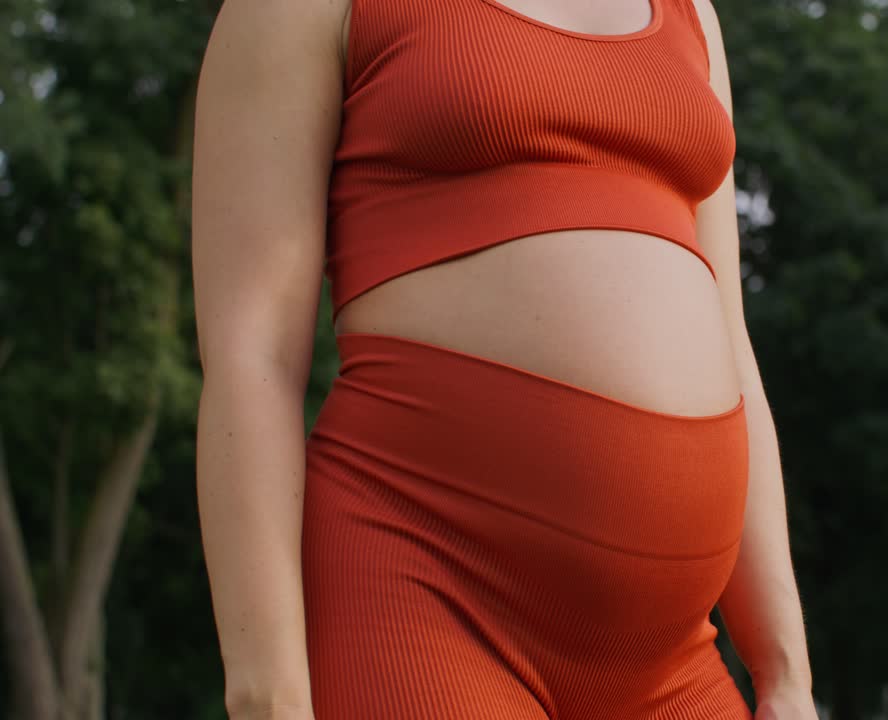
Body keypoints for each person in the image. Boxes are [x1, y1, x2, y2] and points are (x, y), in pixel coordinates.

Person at [191, 0, 817, 717]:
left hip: (675, 661)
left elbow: (731, 338)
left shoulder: (689, 11)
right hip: (425, 599)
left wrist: (785, 672)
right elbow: (254, 353)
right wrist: (268, 693)